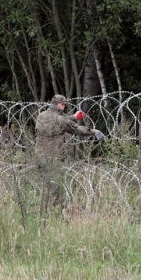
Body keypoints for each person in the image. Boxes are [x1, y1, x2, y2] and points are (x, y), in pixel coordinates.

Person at [34, 94, 104, 222]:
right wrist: (93, 131)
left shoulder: (41, 115)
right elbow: (77, 130)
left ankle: (43, 215)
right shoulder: (61, 120)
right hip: (52, 159)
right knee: (55, 190)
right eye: (64, 105)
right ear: (60, 105)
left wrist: (73, 117)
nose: (65, 106)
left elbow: (57, 120)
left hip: (39, 157)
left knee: (46, 188)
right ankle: (55, 219)